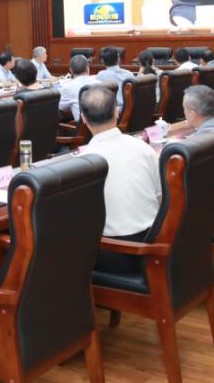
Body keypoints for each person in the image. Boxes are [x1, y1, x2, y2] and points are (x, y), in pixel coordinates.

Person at [80, 84, 162, 275]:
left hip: (117, 253)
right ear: (117, 112)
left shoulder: (85, 163)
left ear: (83, 118)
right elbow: (160, 199)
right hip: (154, 244)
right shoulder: (143, 147)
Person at [58, 54, 98, 121]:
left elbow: (60, 107)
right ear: (87, 68)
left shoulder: (68, 87)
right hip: (105, 125)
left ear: (71, 70)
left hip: (84, 127)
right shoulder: (99, 82)